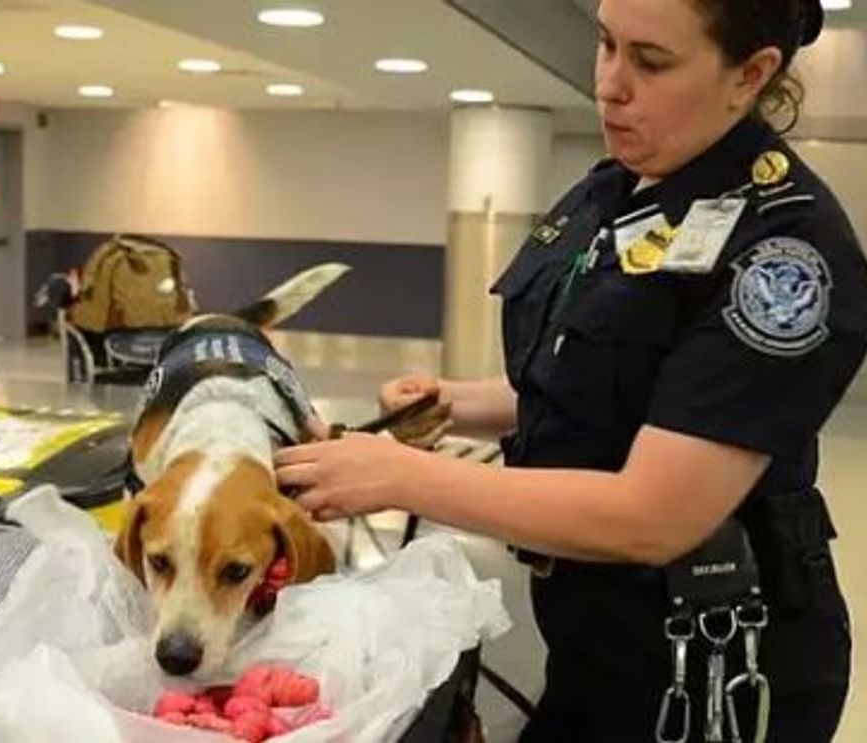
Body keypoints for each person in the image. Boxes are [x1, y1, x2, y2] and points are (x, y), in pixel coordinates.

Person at [277, 0, 865, 740]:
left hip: (709, 662)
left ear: (749, 75)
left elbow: (656, 513)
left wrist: (399, 476)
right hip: (597, 638)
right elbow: (607, 390)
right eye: (605, 45)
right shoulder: (619, 192)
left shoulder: (782, 250)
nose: (611, 84)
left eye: (650, 62)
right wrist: (456, 404)